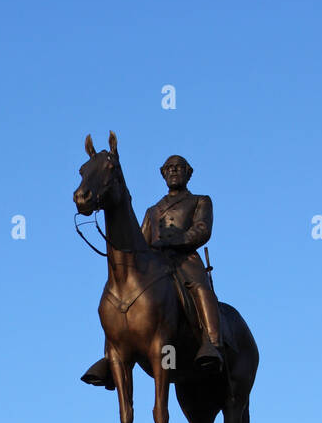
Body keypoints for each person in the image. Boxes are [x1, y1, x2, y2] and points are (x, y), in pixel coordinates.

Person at [81, 153, 223, 389]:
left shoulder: (200, 201)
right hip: (156, 264)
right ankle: (109, 357)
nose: (174, 171)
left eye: (179, 168)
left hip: (184, 259)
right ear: (163, 174)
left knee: (200, 288)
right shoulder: (153, 210)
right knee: (118, 300)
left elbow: (202, 229)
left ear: (188, 173)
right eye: (169, 168)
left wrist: (176, 239)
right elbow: (141, 240)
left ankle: (212, 342)